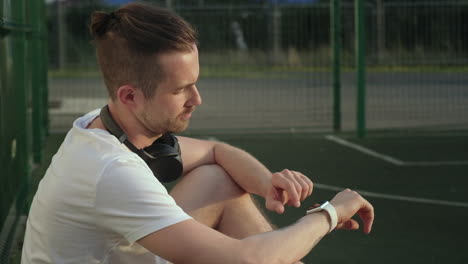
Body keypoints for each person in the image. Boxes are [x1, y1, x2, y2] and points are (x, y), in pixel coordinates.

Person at [21, 3, 374, 264]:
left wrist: (268, 184)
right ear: (130, 95)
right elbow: (245, 258)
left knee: (219, 180)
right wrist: (329, 213)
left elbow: (217, 152)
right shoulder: (110, 170)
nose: (197, 99)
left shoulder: (102, 126)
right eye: (181, 90)